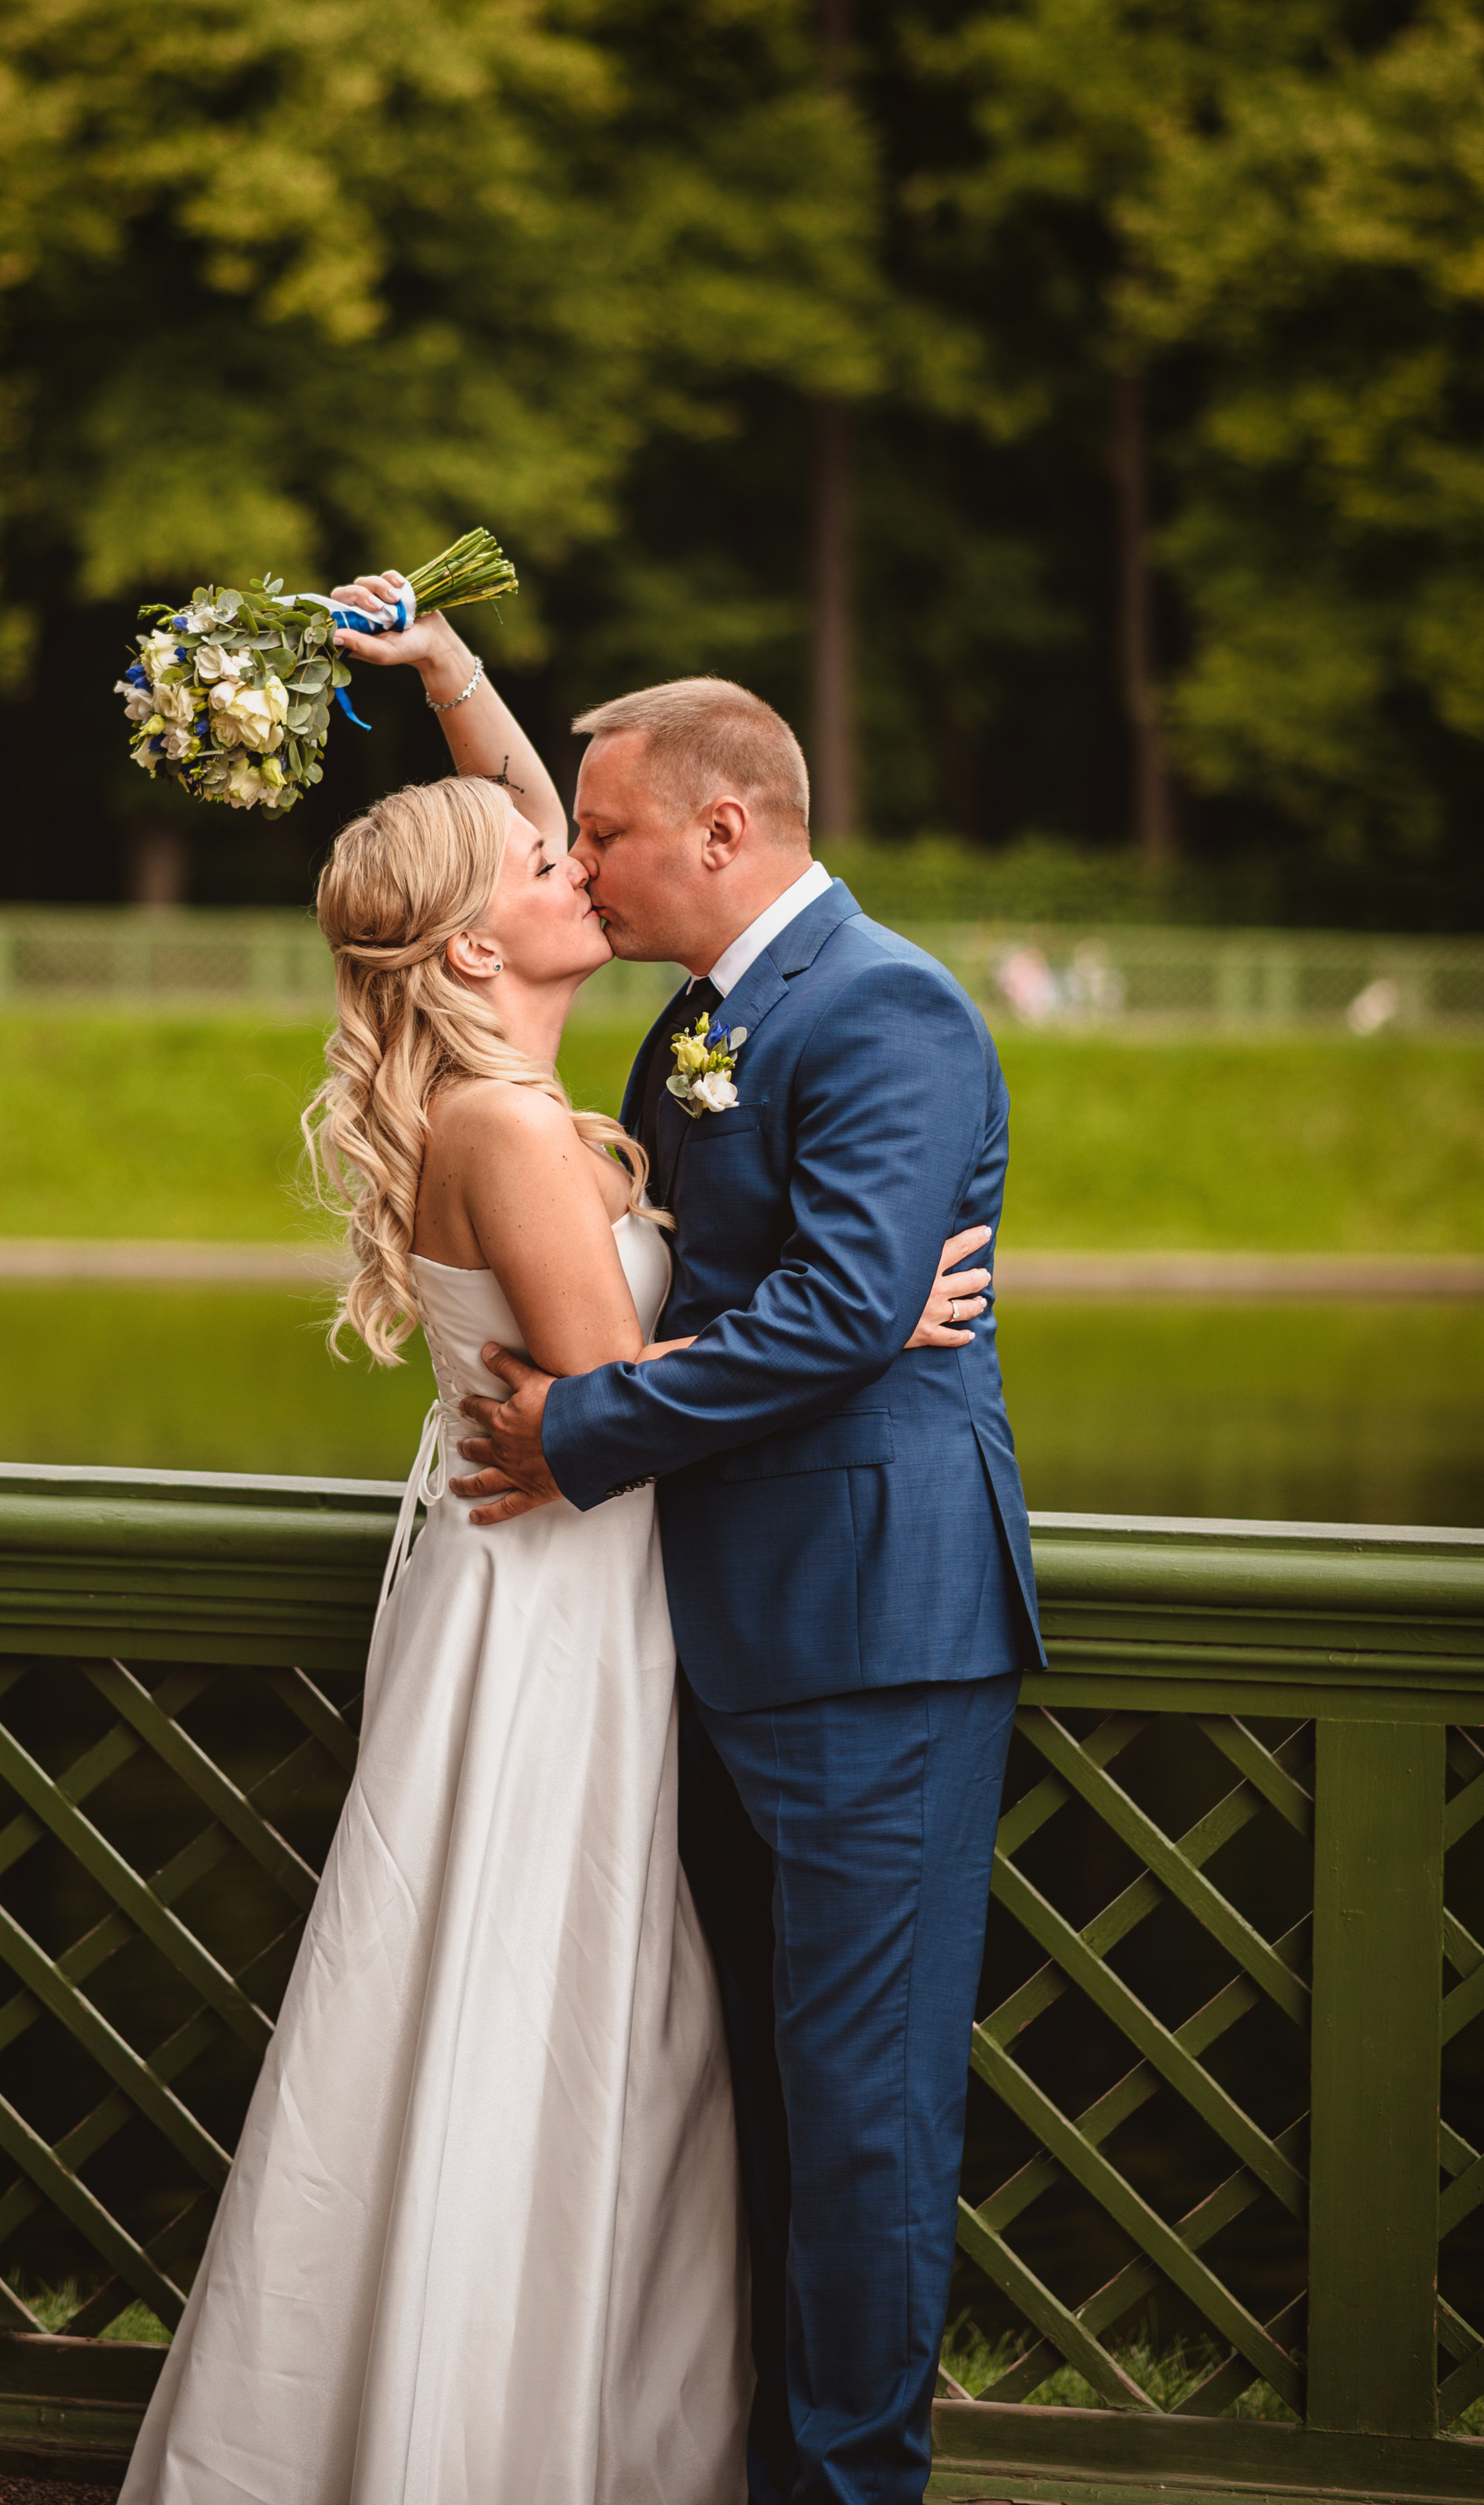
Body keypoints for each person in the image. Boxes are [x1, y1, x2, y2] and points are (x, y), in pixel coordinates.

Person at [121, 584, 990, 2505]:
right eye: (555, 855)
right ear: (475, 930)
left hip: (683, 1605)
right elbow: (614, 1359)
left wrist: (446, 678)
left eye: (597, 839)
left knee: (670, 2057)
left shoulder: (670, 1042)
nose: (578, 864)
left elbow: (517, 850)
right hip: (576, 1609)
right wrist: (866, 1316)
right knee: (540, 2018)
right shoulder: (531, 1111)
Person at [454, 673, 1047, 2505]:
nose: (584, 863)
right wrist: (441, 684)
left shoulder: (884, 1006)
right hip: (701, 1639)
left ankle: (849, 2490)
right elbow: (794, 1305)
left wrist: (591, 1425)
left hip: (872, 1638)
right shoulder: (695, 1020)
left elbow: (845, 1303)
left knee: (863, 2119)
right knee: (763, 2113)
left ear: (723, 832)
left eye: (609, 834)